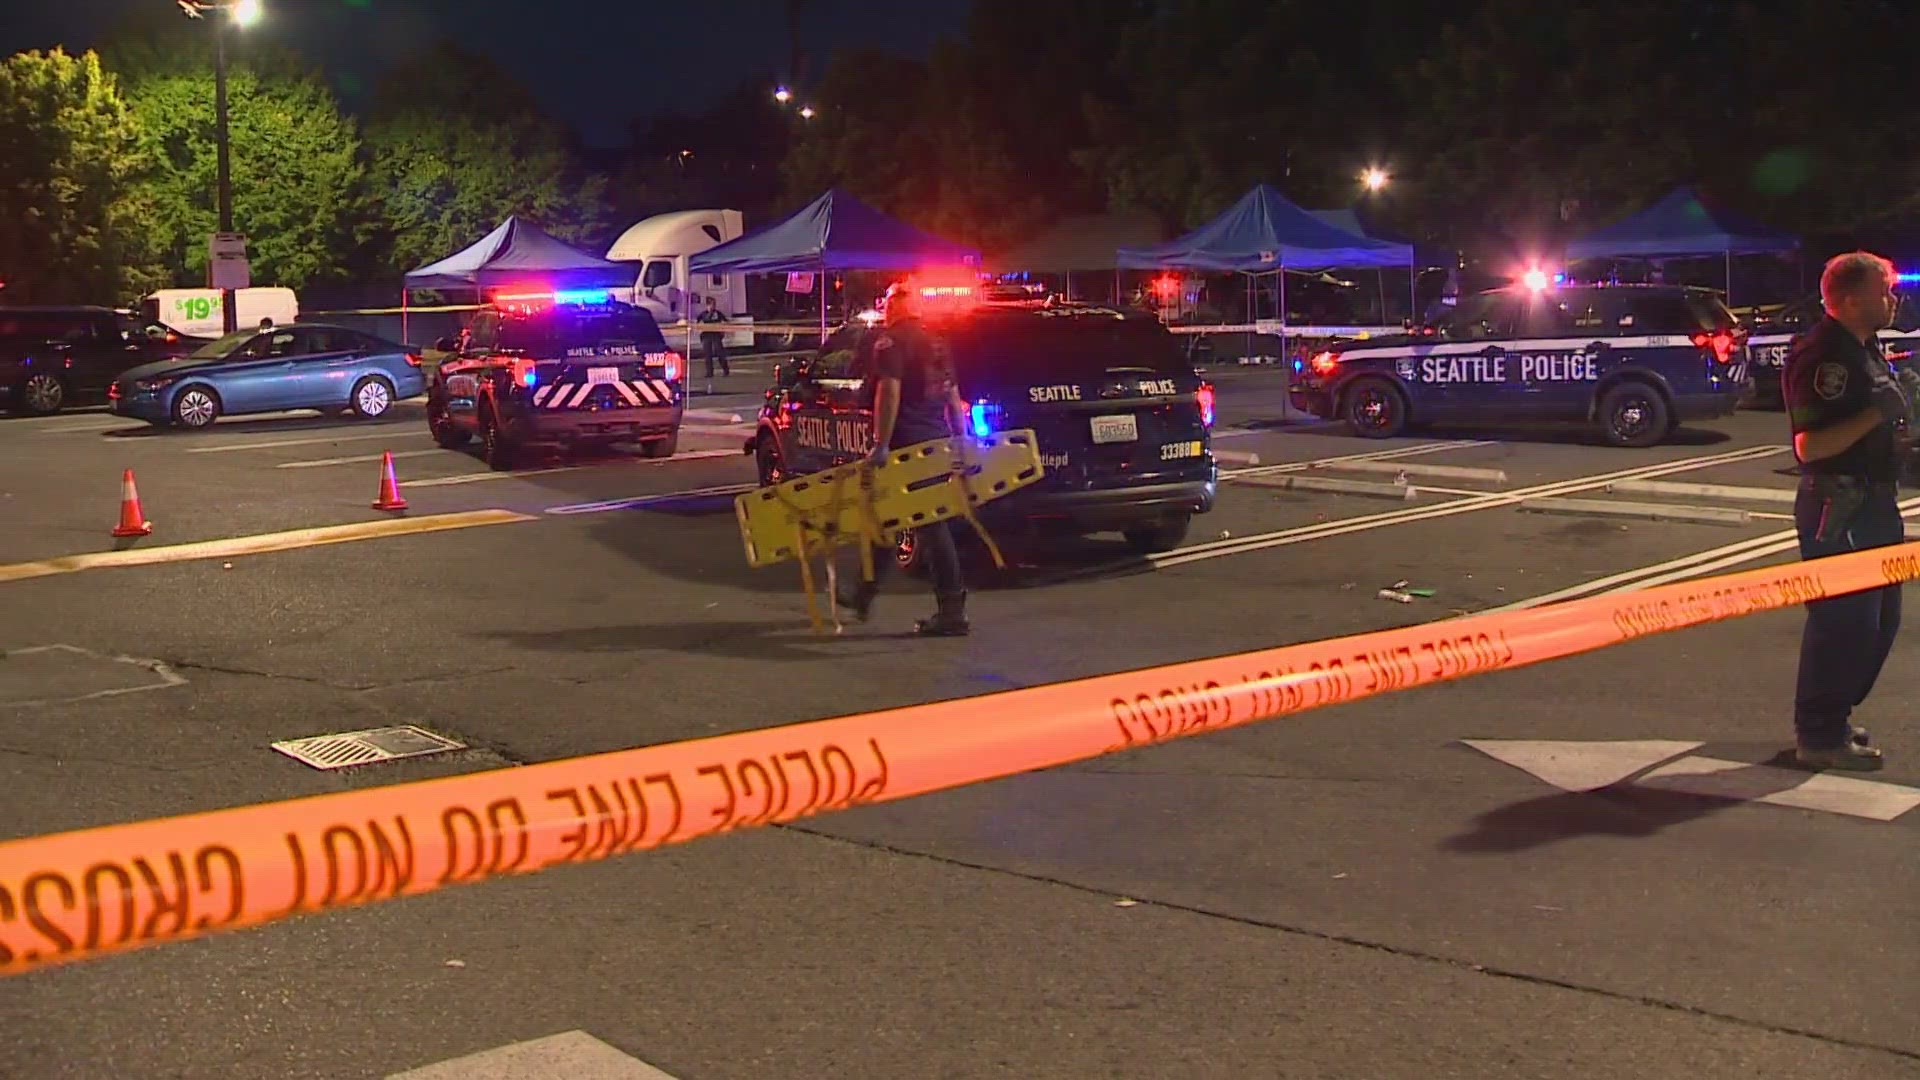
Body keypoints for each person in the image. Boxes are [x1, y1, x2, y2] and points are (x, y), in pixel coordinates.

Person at [1781, 250, 1908, 771]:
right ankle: (1818, 733)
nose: (1893, 299)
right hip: (1840, 507)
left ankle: (1834, 716)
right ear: (1852, 299)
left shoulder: (1865, 348)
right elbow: (1809, 447)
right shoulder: (1824, 357)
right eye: (1885, 291)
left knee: (1880, 624)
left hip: (1875, 501)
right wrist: (1878, 413)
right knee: (1844, 624)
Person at [837, 281, 973, 636]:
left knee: (929, 523)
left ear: (898, 304)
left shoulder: (892, 341)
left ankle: (952, 610)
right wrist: (960, 439)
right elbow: (952, 394)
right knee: (889, 517)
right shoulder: (938, 341)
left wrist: (881, 443)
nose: (883, 304)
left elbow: (889, 390)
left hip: (906, 446)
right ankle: (863, 593)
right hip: (935, 443)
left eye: (888, 298)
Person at [696, 294, 730, 378]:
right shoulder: (703, 314)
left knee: (719, 352)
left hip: (716, 335)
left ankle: (725, 369)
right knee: (708, 354)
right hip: (706, 336)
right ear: (708, 305)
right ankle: (709, 372)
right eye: (712, 304)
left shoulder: (718, 313)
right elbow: (698, 323)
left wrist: (723, 329)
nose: (713, 306)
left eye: (714, 304)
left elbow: (725, 321)